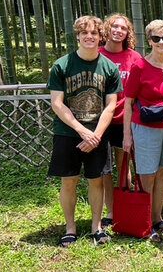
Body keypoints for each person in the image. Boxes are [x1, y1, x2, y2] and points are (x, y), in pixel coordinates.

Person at [48, 15, 122, 247]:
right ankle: (70, 228)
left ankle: (96, 227)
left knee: (96, 181)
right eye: (84, 33)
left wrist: (96, 135)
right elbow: (57, 103)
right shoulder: (62, 65)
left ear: (101, 37)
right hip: (68, 133)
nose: (89, 37)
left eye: (94, 33)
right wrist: (83, 132)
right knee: (69, 181)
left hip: (97, 133)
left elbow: (111, 105)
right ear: (78, 36)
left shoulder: (109, 67)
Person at [124, 20, 163, 242]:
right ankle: (145, 223)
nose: (161, 42)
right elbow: (128, 103)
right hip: (145, 128)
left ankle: (157, 218)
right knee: (147, 177)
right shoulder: (139, 66)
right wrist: (127, 136)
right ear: (149, 40)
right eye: (156, 38)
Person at [99, 14, 142, 229]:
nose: (118, 30)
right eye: (114, 26)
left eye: (123, 28)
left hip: (126, 120)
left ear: (128, 33)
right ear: (107, 29)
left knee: (124, 165)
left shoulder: (134, 58)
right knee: (105, 169)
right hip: (101, 120)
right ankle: (110, 210)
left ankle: (126, 206)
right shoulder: (96, 55)